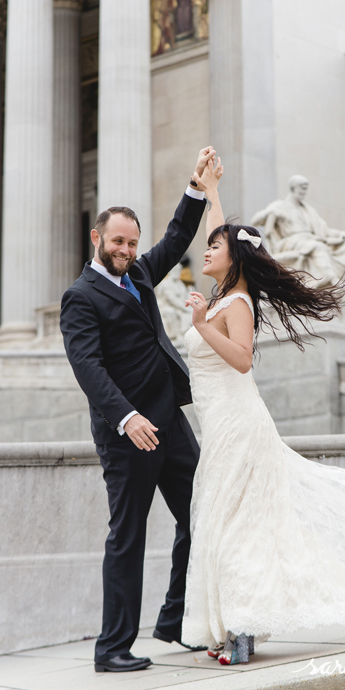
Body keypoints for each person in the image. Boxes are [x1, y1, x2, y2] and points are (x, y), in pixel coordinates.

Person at [180, 159, 345, 665]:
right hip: (219, 426)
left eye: (214, 246)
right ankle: (233, 626)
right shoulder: (222, 294)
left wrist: (200, 323)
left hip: (239, 424)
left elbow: (241, 361)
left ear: (233, 258)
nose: (206, 249)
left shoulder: (233, 303)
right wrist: (212, 190)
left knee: (240, 526)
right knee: (224, 521)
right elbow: (224, 235)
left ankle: (242, 629)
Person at [60, 147, 215, 673]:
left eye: (132, 241)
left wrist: (195, 188)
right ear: (96, 239)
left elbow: (175, 238)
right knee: (127, 538)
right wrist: (127, 417)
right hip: (129, 434)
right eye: (117, 241)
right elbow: (88, 368)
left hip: (170, 421)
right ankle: (113, 649)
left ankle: (175, 619)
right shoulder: (80, 297)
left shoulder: (142, 275)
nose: (126, 249)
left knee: (202, 515)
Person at [251, 175, 345, 288]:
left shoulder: (308, 210)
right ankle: (332, 278)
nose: (304, 192)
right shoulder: (279, 206)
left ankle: (327, 279)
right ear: (293, 188)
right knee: (317, 246)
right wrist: (270, 212)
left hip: (309, 239)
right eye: (302, 188)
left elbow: (324, 230)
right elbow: (255, 221)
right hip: (290, 242)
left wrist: (339, 234)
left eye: (306, 188)